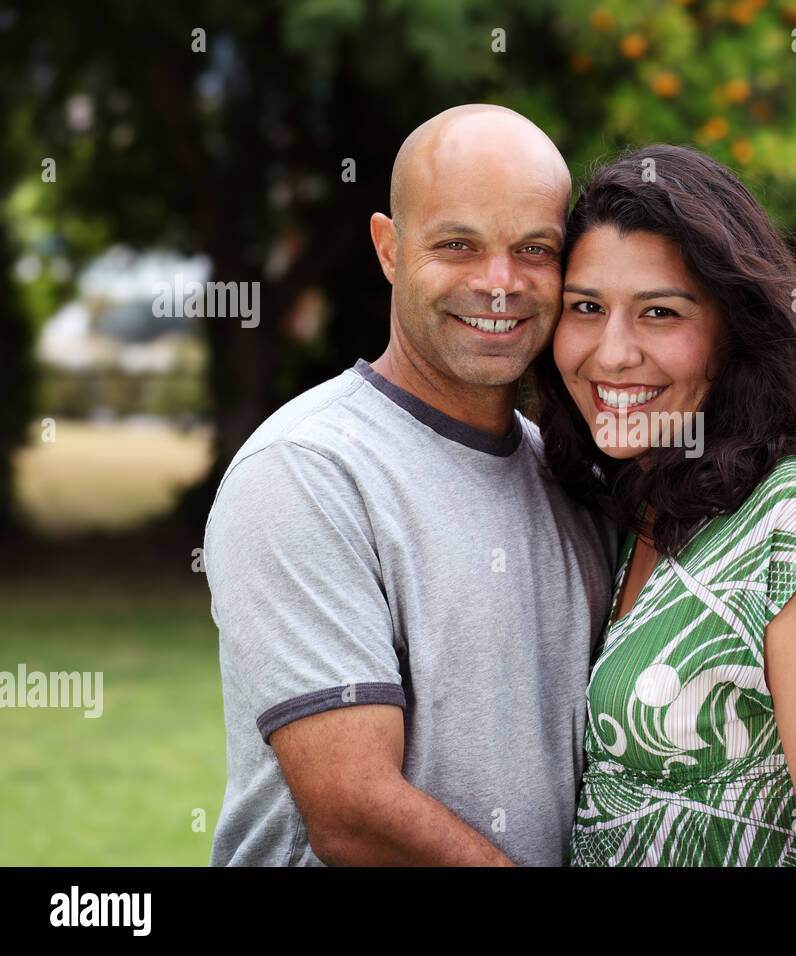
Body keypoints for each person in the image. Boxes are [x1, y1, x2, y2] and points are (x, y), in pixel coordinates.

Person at [205, 104, 616, 866]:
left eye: (535, 249)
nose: (500, 283)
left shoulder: (571, 482)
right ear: (389, 249)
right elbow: (354, 814)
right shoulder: (307, 471)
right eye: (458, 244)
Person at [535, 144, 796, 866]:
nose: (611, 354)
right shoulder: (647, 500)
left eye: (659, 312)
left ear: (732, 331)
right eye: (585, 308)